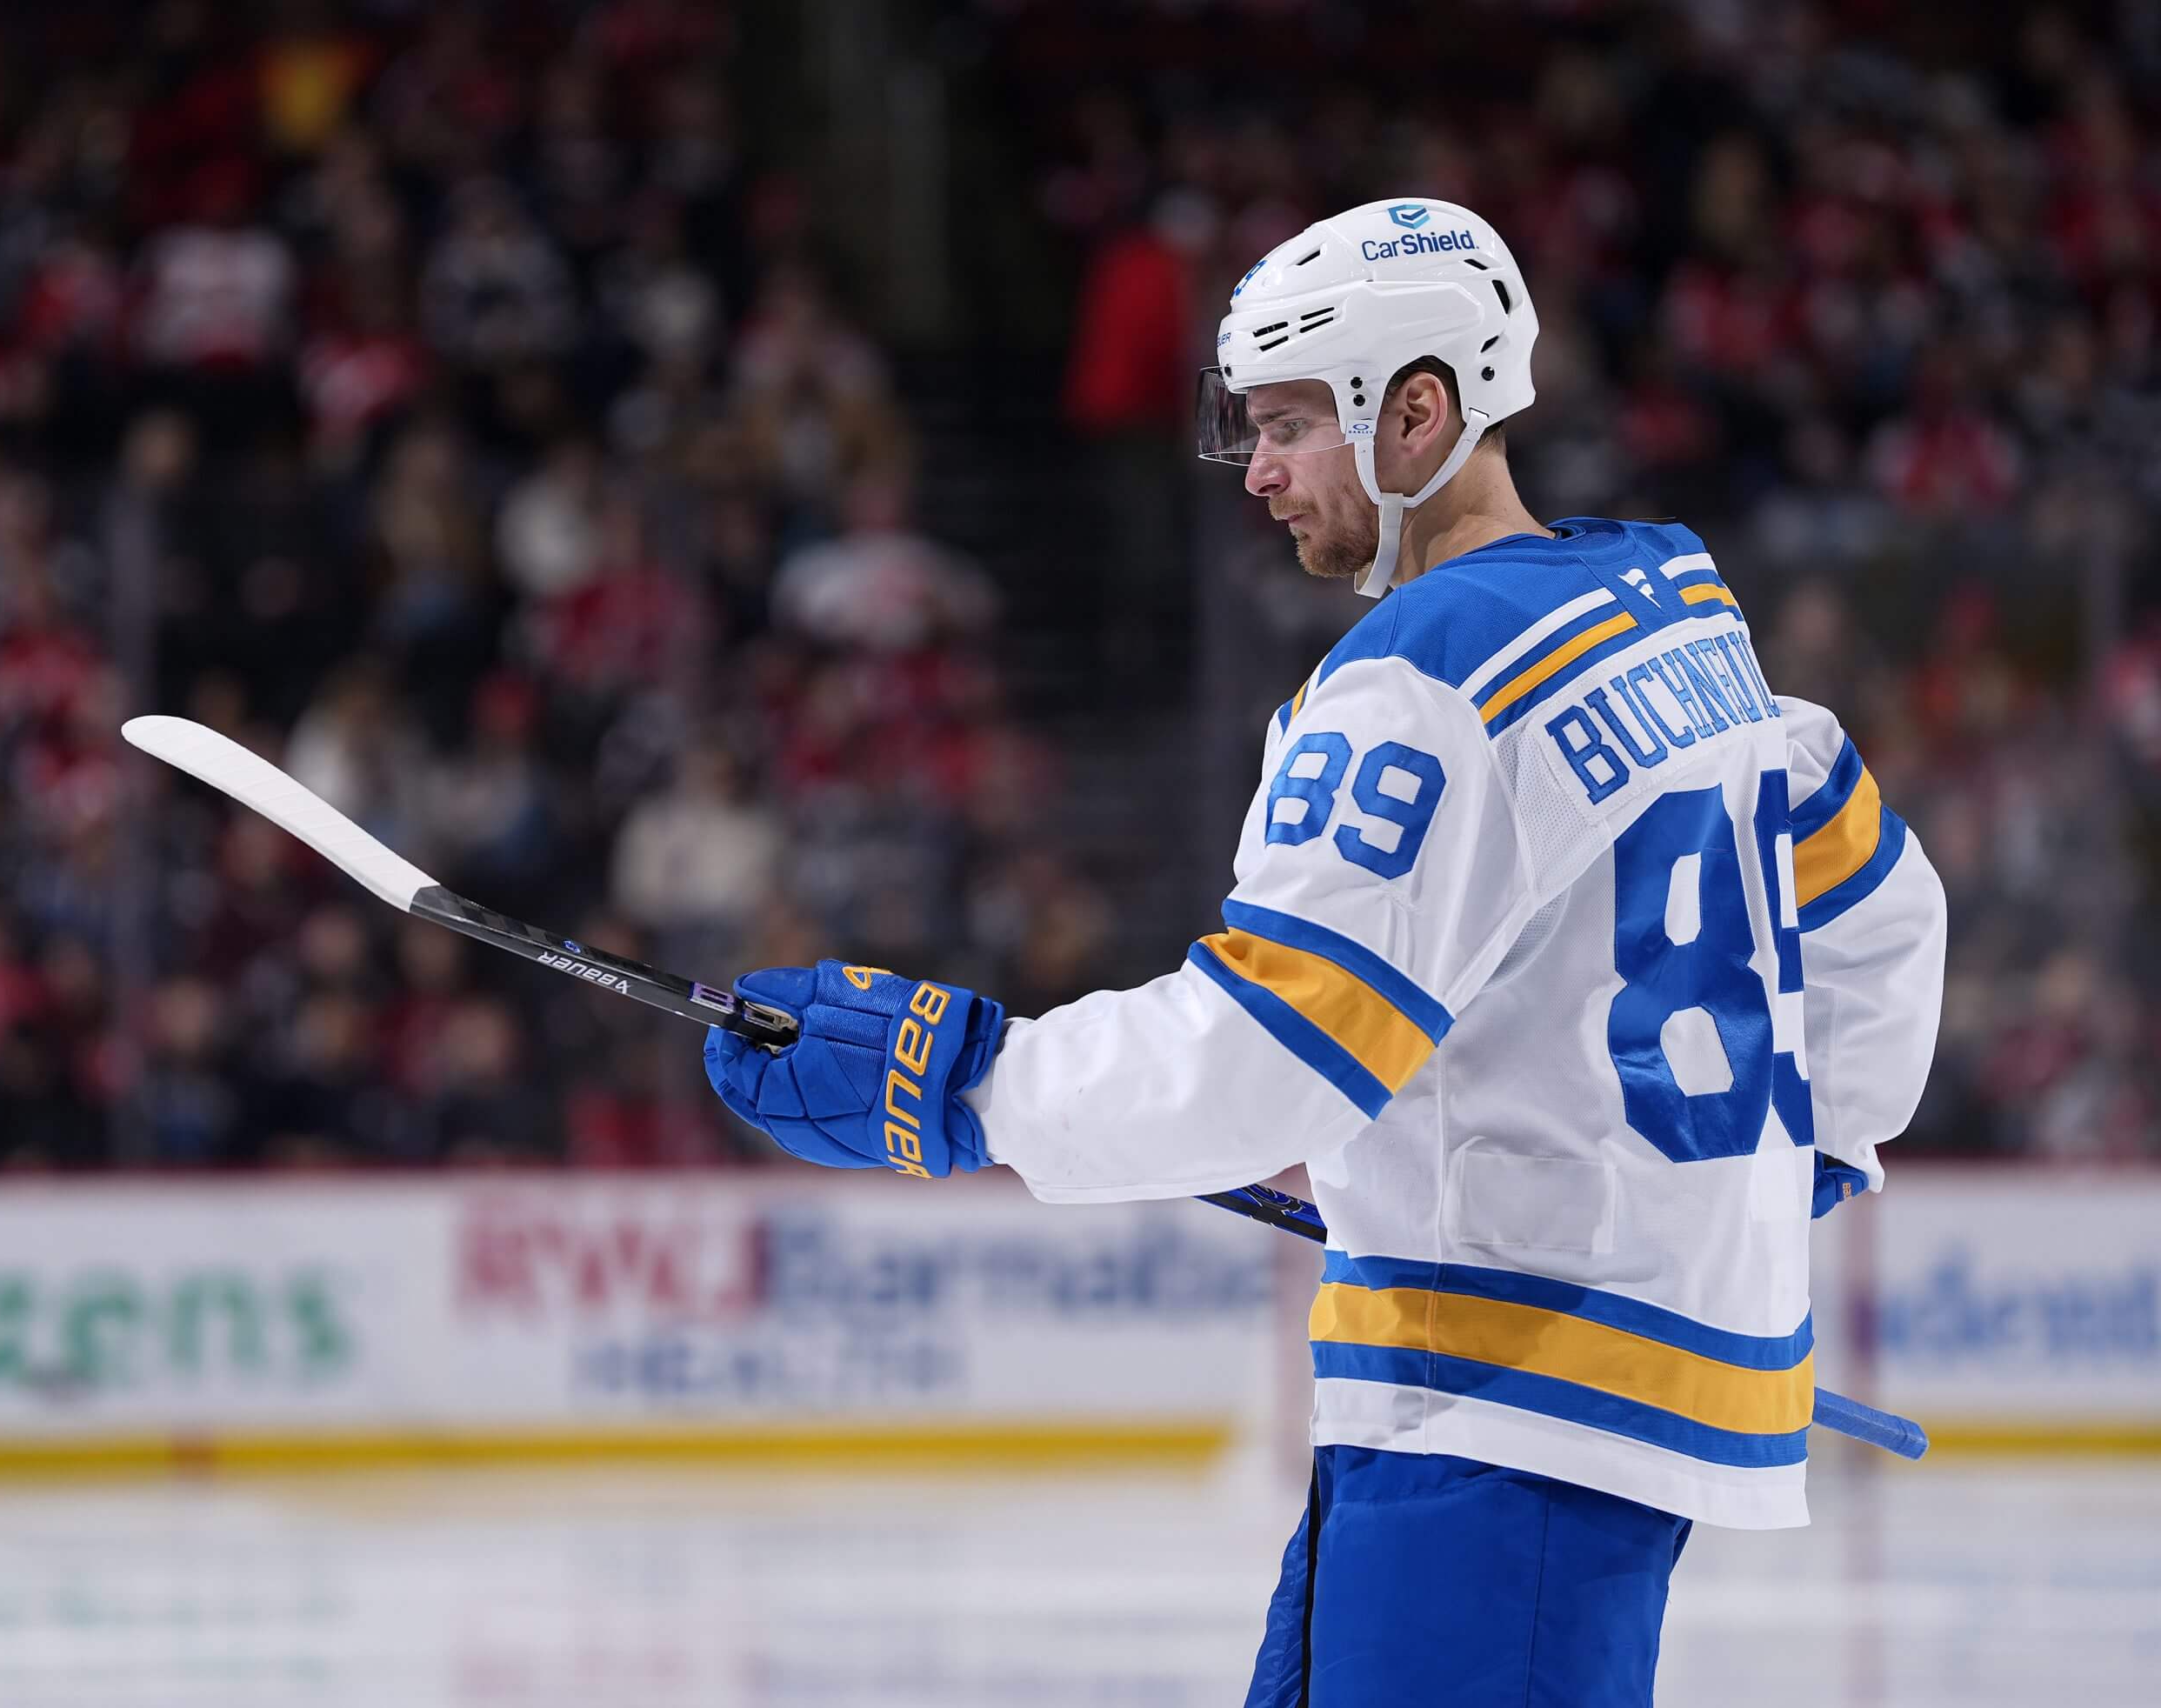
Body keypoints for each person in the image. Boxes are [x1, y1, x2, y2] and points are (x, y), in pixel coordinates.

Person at [700, 198, 1949, 1707]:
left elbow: (1271, 1053)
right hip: (1550, 1404)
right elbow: (1884, 908)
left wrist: (973, 1088)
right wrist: (1807, 1158)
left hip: (1501, 1418)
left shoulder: (1425, 673)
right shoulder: (1676, 607)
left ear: (1417, 410)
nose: (1261, 472)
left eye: (1292, 424)